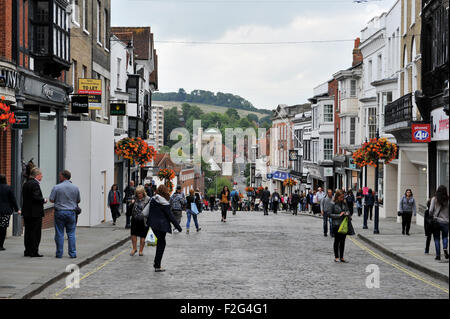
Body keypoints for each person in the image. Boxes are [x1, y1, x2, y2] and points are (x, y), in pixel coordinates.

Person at [145, 184, 182, 272]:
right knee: (161, 245)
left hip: (153, 225)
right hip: (162, 226)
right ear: (165, 192)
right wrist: (178, 227)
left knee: (159, 244)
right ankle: (157, 265)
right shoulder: (165, 203)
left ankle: (156, 263)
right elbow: (170, 216)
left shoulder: (153, 200)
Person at [49, 170, 81, 259]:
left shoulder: (57, 187)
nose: (59, 177)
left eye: (60, 176)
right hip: (71, 212)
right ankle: (73, 253)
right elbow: (78, 200)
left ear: (63, 177)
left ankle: (59, 254)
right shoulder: (75, 187)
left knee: (59, 233)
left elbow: (51, 199)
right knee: (71, 234)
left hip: (60, 212)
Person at [22, 168, 47, 257]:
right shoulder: (35, 184)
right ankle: (34, 251)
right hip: (35, 213)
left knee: (28, 232)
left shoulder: (26, 184)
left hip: (26, 212)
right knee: (35, 233)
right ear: (37, 175)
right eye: (41, 175)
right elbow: (36, 197)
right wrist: (44, 200)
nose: (42, 176)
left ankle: (27, 250)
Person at [329, 190, 352, 263]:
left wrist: (347, 213)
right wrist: (339, 215)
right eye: (341, 197)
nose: (342, 199)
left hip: (344, 225)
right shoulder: (332, 204)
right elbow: (329, 214)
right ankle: (336, 257)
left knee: (343, 241)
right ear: (337, 197)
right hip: (336, 225)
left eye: (343, 197)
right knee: (337, 241)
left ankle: (341, 257)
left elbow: (348, 211)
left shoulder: (344, 203)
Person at [0, 175, 20, 251]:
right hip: (5, 211)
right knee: (3, 227)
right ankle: (1, 245)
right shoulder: (8, 188)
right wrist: (17, 209)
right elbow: (13, 200)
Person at [130, 186, 150, 256]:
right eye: (138, 193)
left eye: (140, 193)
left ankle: (141, 251)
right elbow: (130, 208)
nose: (139, 195)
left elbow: (150, 210)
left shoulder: (148, 199)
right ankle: (134, 248)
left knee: (143, 235)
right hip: (135, 219)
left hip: (143, 220)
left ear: (143, 193)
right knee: (133, 234)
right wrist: (131, 203)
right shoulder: (134, 198)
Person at [429, 185, 449, 261]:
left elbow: (430, 210)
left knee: (436, 238)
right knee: (445, 237)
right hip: (446, 222)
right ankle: (445, 248)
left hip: (436, 221)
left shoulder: (434, 199)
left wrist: (432, 216)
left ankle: (438, 256)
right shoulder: (447, 200)